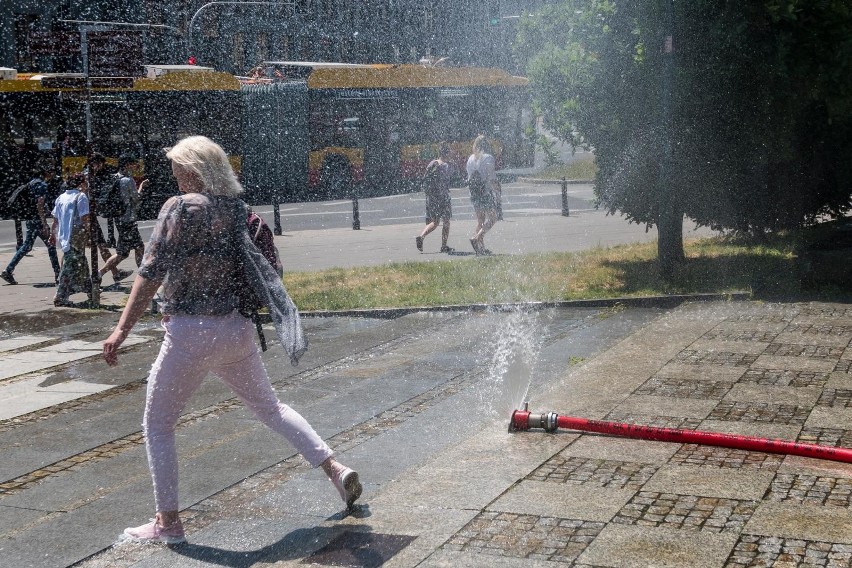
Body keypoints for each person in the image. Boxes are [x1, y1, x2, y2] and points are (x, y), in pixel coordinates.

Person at [102, 135, 361, 544]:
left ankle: (168, 524)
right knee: (271, 409)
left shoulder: (180, 207)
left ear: (192, 169)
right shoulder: (238, 211)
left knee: (158, 425)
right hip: (237, 331)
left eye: (176, 167)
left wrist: (121, 329)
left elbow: (149, 272)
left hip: (190, 332)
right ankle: (336, 470)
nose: (172, 174)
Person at [1, 164, 61, 285]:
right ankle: (58, 274)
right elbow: (40, 204)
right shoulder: (42, 185)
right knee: (51, 245)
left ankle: (8, 270)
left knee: (27, 246)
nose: (53, 175)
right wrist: (44, 223)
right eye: (52, 172)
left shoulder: (32, 182)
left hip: (30, 218)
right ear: (47, 172)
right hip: (37, 220)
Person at [97, 154, 149, 284]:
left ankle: (140, 276)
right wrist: (141, 187)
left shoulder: (114, 178)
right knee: (128, 251)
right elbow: (136, 199)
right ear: (126, 165)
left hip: (119, 218)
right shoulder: (127, 180)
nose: (134, 166)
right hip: (128, 220)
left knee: (131, 250)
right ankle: (142, 277)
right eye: (132, 164)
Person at [85, 153, 133, 284]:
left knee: (101, 246)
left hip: (91, 216)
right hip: (85, 217)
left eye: (100, 163)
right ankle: (87, 280)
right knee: (76, 250)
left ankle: (114, 273)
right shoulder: (88, 176)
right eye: (96, 163)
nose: (98, 166)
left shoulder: (99, 176)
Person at [49, 173, 92, 306]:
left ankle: (90, 290)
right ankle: (60, 295)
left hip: (64, 234)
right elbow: (85, 218)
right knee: (70, 265)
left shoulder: (61, 197)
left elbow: (55, 219)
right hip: (77, 234)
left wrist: (52, 234)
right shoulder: (81, 196)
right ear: (81, 183)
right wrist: (90, 234)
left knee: (80, 262)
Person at [416, 143, 456, 253]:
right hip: (443, 197)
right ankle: (444, 246)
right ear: (447, 153)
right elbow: (451, 176)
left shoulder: (432, 163)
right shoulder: (447, 165)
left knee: (435, 221)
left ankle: (422, 236)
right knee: (446, 222)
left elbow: (425, 179)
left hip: (432, 197)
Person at [465, 135, 501, 255]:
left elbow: (469, 176)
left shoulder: (470, 158)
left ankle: (481, 248)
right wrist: (497, 192)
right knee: (493, 218)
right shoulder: (488, 158)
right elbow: (492, 179)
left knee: (480, 220)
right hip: (484, 192)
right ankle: (477, 237)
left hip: (474, 193)